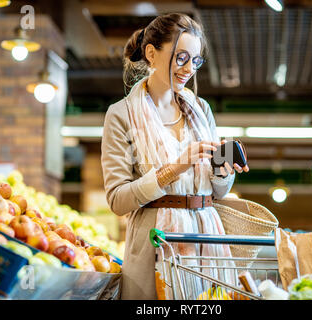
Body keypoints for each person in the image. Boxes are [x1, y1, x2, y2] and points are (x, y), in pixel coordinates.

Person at [101, 12, 249, 300]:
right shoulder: (120, 115)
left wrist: (222, 169)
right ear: (151, 53)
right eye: (181, 57)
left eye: (196, 61)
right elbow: (118, 200)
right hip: (154, 245)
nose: (189, 69)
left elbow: (217, 192)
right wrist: (175, 167)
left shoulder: (201, 109)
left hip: (208, 242)